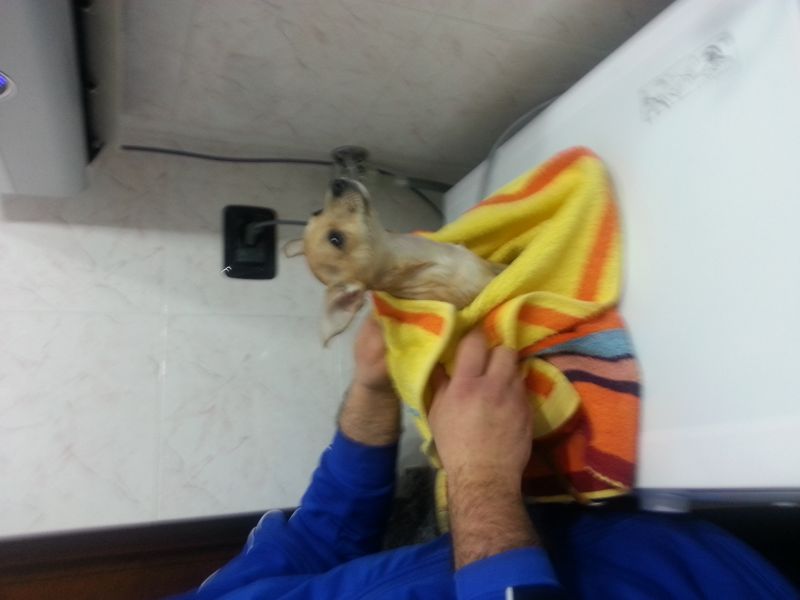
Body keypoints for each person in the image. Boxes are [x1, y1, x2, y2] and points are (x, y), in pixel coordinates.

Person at [174, 318, 797, 599]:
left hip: (637, 527)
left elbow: (320, 535)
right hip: (727, 581)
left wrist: (373, 387)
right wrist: (480, 477)